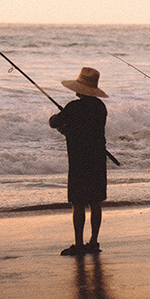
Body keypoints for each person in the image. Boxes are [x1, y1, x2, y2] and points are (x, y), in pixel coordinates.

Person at [49, 67, 109, 256]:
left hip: (79, 160)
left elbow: (54, 122)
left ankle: (78, 243)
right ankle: (93, 242)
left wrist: (64, 127)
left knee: (78, 202)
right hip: (98, 159)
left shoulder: (73, 107)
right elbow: (89, 129)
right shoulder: (101, 107)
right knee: (95, 202)